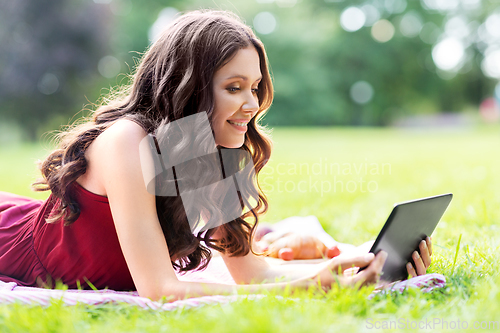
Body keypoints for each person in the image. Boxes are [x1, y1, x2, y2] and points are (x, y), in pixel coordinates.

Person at [0, 9, 432, 301]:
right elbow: (160, 289)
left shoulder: (202, 146)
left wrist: (354, 267)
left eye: (255, 87)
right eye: (233, 87)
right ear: (187, 85)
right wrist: (304, 288)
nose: (252, 104)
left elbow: (253, 275)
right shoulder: (126, 142)